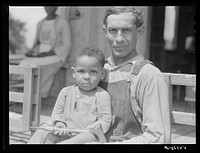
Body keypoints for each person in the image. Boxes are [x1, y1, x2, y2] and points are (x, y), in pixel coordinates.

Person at [98, 6, 171, 144]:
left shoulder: (149, 75)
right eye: (113, 30)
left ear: (139, 31)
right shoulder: (96, 71)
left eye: (126, 30)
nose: (119, 39)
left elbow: (158, 138)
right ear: (105, 32)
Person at [27, 46, 112, 144]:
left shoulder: (101, 95)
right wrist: (60, 124)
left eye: (93, 72)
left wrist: (92, 128)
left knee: (91, 136)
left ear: (102, 74)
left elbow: (105, 120)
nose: (87, 77)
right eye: (81, 71)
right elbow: (57, 114)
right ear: (74, 73)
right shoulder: (66, 92)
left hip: (85, 136)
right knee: (44, 129)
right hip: (65, 133)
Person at [19, 6, 71, 98]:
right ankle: (23, 93)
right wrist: (31, 52)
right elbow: (37, 43)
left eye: (52, 6)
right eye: (47, 6)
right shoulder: (40, 23)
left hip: (56, 56)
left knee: (34, 65)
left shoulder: (63, 23)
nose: (49, 8)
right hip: (40, 55)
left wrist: (48, 53)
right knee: (24, 62)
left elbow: (67, 45)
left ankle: (36, 95)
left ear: (56, 8)